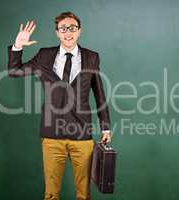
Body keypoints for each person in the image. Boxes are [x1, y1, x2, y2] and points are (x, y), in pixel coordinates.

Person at [7, 11, 112, 200]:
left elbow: (99, 94)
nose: (68, 32)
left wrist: (105, 126)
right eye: (63, 28)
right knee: (51, 194)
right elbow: (15, 71)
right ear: (57, 32)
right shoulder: (44, 55)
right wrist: (17, 46)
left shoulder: (92, 57)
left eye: (72, 28)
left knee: (84, 194)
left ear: (79, 31)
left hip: (82, 134)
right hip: (52, 135)